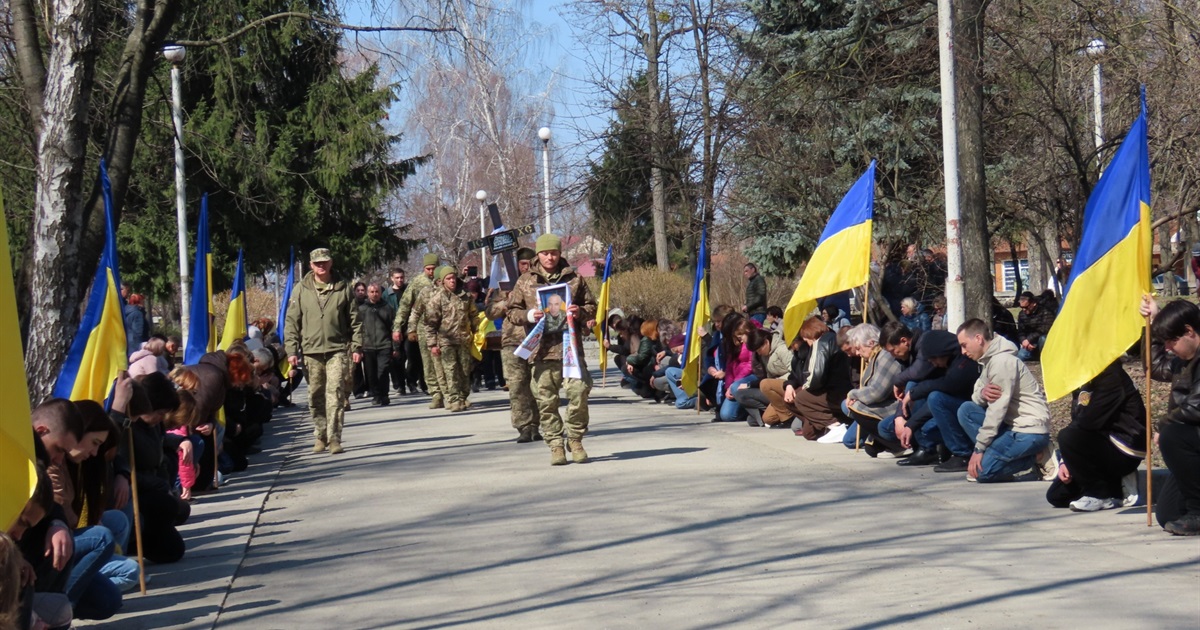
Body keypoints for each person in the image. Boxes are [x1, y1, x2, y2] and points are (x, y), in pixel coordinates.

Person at [506, 233, 598, 466]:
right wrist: (529, 315)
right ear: (538, 254)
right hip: (541, 352)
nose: (550, 257)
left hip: (570, 350)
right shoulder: (525, 281)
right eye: (545, 253)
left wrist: (581, 312)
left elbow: (592, 305)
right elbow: (511, 311)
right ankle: (556, 445)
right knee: (546, 402)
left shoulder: (574, 277)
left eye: (554, 253)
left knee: (579, 393)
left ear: (560, 253)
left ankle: (575, 440)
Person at [951, 318, 1051, 482]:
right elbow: (975, 396)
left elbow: (997, 411)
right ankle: (996, 458)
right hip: (1012, 427)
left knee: (983, 473)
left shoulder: (1001, 362)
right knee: (966, 410)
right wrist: (983, 393)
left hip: (1029, 431)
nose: (963, 352)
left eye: (964, 345)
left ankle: (1039, 456)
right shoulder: (988, 360)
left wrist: (979, 449)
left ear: (978, 338)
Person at [284, 247, 363, 455]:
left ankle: (335, 438)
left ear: (331, 263)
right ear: (311, 265)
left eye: (324, 262)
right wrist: (291, 349)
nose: (321, 266)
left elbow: (355, 320)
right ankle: (321, 434)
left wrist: (357, 346)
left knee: (335, 394)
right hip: (311, 351)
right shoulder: (301, 290)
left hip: (337, 348)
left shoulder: (343, 288)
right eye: (317, 263)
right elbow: (292, 321)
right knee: (316, 394)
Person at [1044, 361, 1145, 512]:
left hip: (1123, 446)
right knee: (1057, 496)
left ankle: (1099, 495)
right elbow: (1079, 417)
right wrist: (1066, 461)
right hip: (1100, 443)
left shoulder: (1110, 374)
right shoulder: (1083, 378)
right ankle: (1115, 488)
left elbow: (1089, 420)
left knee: (1067, 436)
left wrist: (1070, 452)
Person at [1142, 297, 1200, 535]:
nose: (1168, 347)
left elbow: (1196, 407)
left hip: (1191, 435)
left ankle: (1198, 512)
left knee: (1173, 436)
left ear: (1189, 331)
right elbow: (1154, 366)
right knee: (1168, 514)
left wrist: (1163, 425)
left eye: (1172, 340)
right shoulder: (1184, 360)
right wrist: (1155, 322)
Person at [891, 331, 979, 467]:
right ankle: (933, 449)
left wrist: (914, 393)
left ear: (942, 353)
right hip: (962, 411)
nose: (933, 364)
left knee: (934, 402)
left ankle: (963, 453)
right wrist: (911, 425)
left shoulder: (964, 364)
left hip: (972, 414)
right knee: (926, 426)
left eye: (933, 359)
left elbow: (948, 385)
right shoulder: (951, 363)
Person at [762, 317, 853, 439]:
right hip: (826, 389)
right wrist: (789, 385)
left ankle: (834, 424)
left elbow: (817, 374)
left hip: (832, 391)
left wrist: (806, 388)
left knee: (800, 398)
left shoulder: (821, 344)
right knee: (809, 433)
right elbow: (795, 374)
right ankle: (824, 423)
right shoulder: (801, 354)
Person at [486, 247, 540, 441]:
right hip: (512, 341)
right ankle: (524, 426)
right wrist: (506, 302)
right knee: (517, 385)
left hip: (537, 340)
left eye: (529, 263)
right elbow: (490, 313)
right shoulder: (506, 287)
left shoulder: (540, 283)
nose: (526, 267)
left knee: (537, 384)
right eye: (522, 264)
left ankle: (536, 424)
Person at [840, 324, 903, 456]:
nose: (857, 353)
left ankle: (898, 444)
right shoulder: (874, 357)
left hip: (896, 406)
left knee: (856, 406)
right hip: (885, 403)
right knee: (871, 449)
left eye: (859, 348)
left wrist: (853, 394)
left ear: (871, 343)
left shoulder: (885, 356)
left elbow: (876, 393)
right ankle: (880, 439)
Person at [423, 266, 477, 412]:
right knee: (450, 370)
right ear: (443, 281)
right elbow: (430, 324)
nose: (452, 281)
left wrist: (477, 333)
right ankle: (454, 399)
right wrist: (432, 344)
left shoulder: (466, 296)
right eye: (448, 278)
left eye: (453, 278)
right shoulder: (437, 299)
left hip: (464, 340)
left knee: (465, 371)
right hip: (446, 341)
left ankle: (463, 396)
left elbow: (474, 316)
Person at [398, 255, 444, 408]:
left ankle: (451, 393)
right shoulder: (417, 282)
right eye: (428, 269)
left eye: (433, 268)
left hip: (445, 328)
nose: (431, 272)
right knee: (429, 363)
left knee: (447, 362)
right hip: (424, 329)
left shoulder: (445, 279)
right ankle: (436, 394)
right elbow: (405, 305)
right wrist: (399, 327)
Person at [359, 283, 396, 407]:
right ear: (367, 293)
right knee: (371, 373)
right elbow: (357, 329)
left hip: (384, 345)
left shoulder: (387, 308)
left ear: (380, 293)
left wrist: (395, 346)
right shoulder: (362, 309)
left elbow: (394, 328)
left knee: (383, 371)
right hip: (368, 346)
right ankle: (375, 395)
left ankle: (384, 395)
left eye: (377, 292)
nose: (374, 294)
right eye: (372, 292)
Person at [382, 267, 412, 395]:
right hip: (394, 329)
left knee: (411, 356)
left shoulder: (408, 291)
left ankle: (411, 382)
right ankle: (401, 385)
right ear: (392, 278)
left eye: (402, 277)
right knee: (397, 358)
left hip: (409, 328)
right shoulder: (387, 294)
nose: (400, 280)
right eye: (397, 278)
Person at [1015, 291, 1056, 361]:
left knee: (1043, 339)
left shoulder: (1045, 311)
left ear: (1033, 303)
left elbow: (1045, 329)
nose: (1024, 310)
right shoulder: (1022, 314)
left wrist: (1029, 339)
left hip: (1040, 339)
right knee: (1020, 356)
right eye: (1022, 307)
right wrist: (1024, 340)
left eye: (1026, 307)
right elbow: (1021, 331)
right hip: (1029, 343)